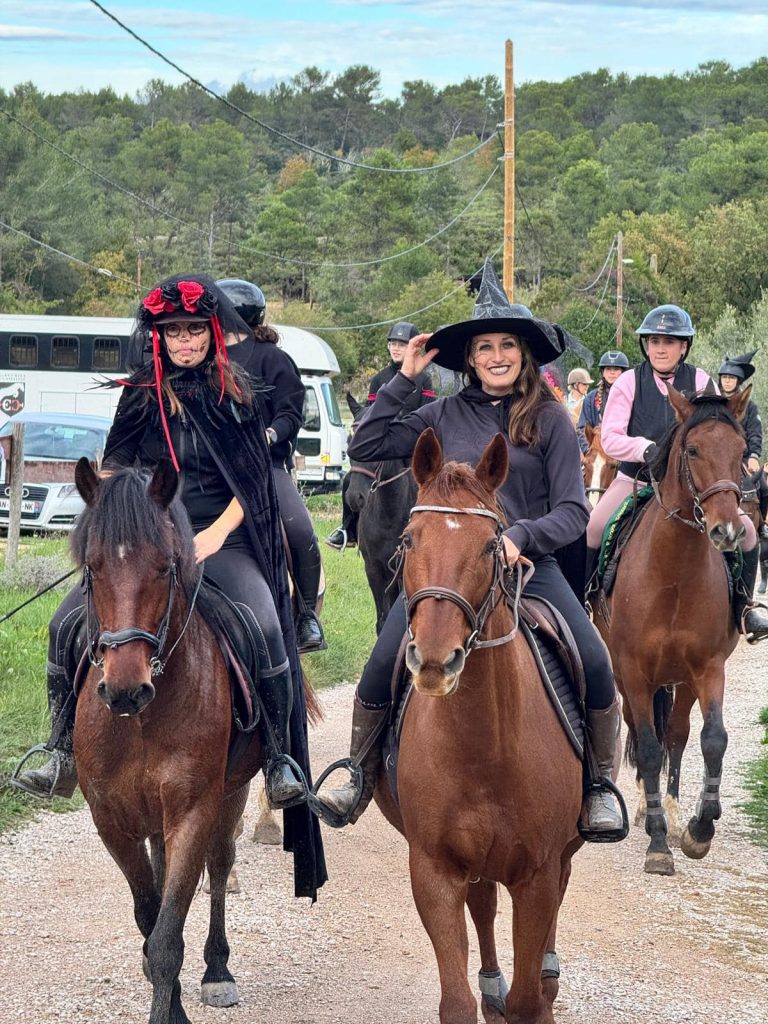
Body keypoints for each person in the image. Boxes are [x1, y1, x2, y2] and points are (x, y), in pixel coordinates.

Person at [319, 259, 625, 840]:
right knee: (383, 659)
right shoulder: (441, 412)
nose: (497, 356)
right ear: (470, 358)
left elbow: (573, 511)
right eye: (485, 347)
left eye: (507, 345)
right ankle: (358, 772)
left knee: (594, 658)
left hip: (528, 566)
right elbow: (368, 442)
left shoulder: (552, 420)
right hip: (449, 570)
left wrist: (519, 537)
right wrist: (404, 378)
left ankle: (598, 785)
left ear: (524, 354)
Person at [10, 274, 312, 807]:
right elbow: (116, 463)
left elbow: (254, 480)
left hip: (221, 536)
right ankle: (59, 749)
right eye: (174, 332)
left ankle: (276, 759)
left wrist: (215, 534)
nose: (184, 342)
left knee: (265, 623)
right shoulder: (140, 393)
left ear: (212, 332)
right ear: (160, 336)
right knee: (62, 624)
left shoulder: (236, 391)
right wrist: (114, 515)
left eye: (194, 330)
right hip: (149, 539)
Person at [586, 305, 768, 642]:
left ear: (683, 346)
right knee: (594, 528)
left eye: (669, 341)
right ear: (646, 345)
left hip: (689, 486)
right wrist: (645, 448)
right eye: (654, 341)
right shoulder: (628, 382)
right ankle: (584, 603)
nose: (660, 348)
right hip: (636, 478)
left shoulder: (700, 381)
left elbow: (715, 429)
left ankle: (744, 608)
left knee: (747, 535)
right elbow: (610, 437)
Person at [216, 277, 326, 653]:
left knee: (300, 530)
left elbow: (291, 413)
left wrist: (268, 435)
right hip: (209, 469)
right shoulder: (203, 358)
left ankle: (306, 614)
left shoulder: (273, 358)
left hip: (264, 465)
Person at [326, 321, 435, 551]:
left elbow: (427, 412)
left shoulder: (424, 379)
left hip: (413, 445)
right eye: (393, 343)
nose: (396, 348)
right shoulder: (379, 379)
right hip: (385, 445)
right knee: (350, 479)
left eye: (401, 344)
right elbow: (371, 415)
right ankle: (348, 530)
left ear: (412, 348)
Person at [577, 350, 630, 454]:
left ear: (623, 372)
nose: (612, 373)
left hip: (625, 453)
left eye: (616, 369)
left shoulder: (632, 396)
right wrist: (588, 452)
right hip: (597, 453)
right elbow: (582, 429)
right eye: (608, 369)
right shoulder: (591, 398)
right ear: (602, 372)